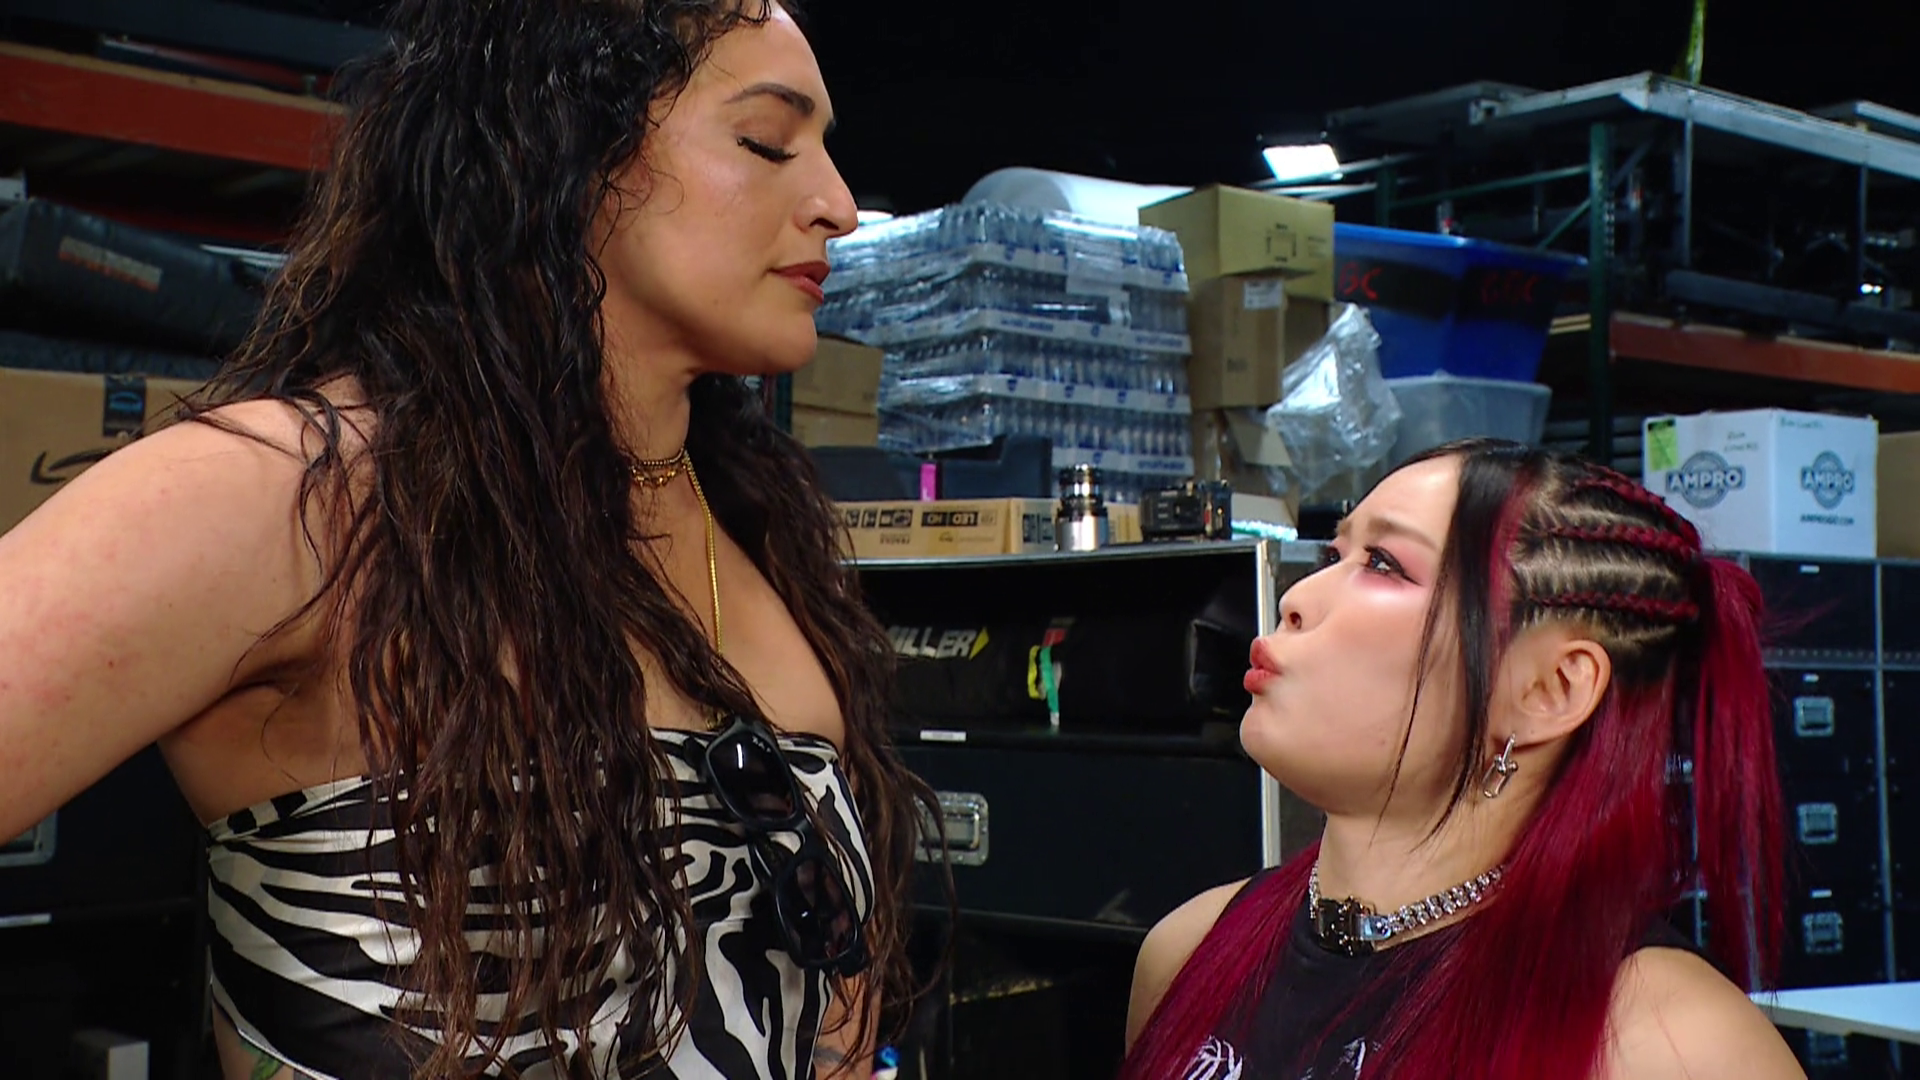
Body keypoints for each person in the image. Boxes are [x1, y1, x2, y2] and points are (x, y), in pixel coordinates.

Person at [0, 1, 934, 1077]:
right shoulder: (297, 495)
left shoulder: (755, 527)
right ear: (565, 146)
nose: (839, 206)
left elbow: (827, 1015)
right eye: (767, 141)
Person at [1122, 439, 1807, 1080]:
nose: (1296, 599)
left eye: (1384, 564)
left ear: (1549, 689)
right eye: (1335, 555)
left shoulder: (1669, 1044)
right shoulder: (1189, 950)